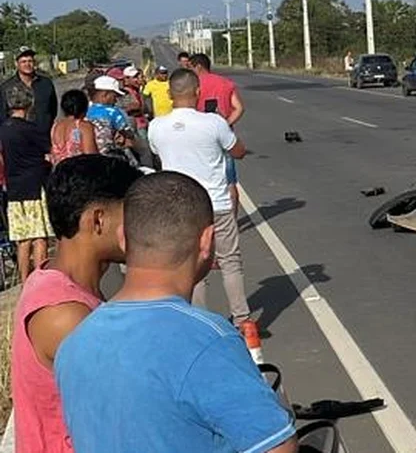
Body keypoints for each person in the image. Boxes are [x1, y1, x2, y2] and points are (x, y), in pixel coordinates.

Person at [55, 172, 296, 453]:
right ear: (207, 241)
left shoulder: (75, 342)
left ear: (123, 238)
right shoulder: (208, 341)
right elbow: (276, 446)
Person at [11, 155, 142, 453]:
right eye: (133, 215)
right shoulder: (67, 315)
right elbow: (127, 416)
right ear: (98, 220)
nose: (142, 227)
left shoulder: (57, 282)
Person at [148, 68, 251, 328]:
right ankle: (242, 318)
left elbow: (157, 155)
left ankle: (202, 321)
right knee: (230, 261)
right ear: (198, 92)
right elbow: (238, 151)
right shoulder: (213, 123)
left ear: (170, 94)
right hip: (217, 202)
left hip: (180, 207)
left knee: (192, 266)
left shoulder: (156, 127)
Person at [1, 85, 54, 282]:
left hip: (14, 189)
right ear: (29, 103)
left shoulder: (3, 130)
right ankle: (40, 279)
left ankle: (24, 281)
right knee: (40, 236)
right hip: (34, 185)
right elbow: (49, 152)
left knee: (23, 239)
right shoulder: (32, 129)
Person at [190, 53, 245, 213]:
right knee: (230, 182)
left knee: (201, 181)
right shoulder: (226, 83)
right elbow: (239, 108)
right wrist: (225, 124)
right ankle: (232, 220)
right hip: (224, 137)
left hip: (199, 137)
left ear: (198, 66)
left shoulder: (194, 85)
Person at [1, 46, 58, 135]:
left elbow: (53, 109)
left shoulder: (46, 83)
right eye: (23, 61)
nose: (27, 64)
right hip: (19, 138)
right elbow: (2, 115)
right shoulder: (6, 87)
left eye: (30, 61)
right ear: (16, 64)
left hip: (43, 138)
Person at [85, 76, 135, 161]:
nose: (115, 101)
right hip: (109, 156)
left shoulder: (85, 110)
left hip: (90, 155)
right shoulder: (113, 112)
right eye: (114, 96)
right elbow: (128, 133)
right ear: (105, 95)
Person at [50, 90, 97, 165]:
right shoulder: (83, 126)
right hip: (77, 171)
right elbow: (90, 155)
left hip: (59, 171)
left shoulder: (55, 126)